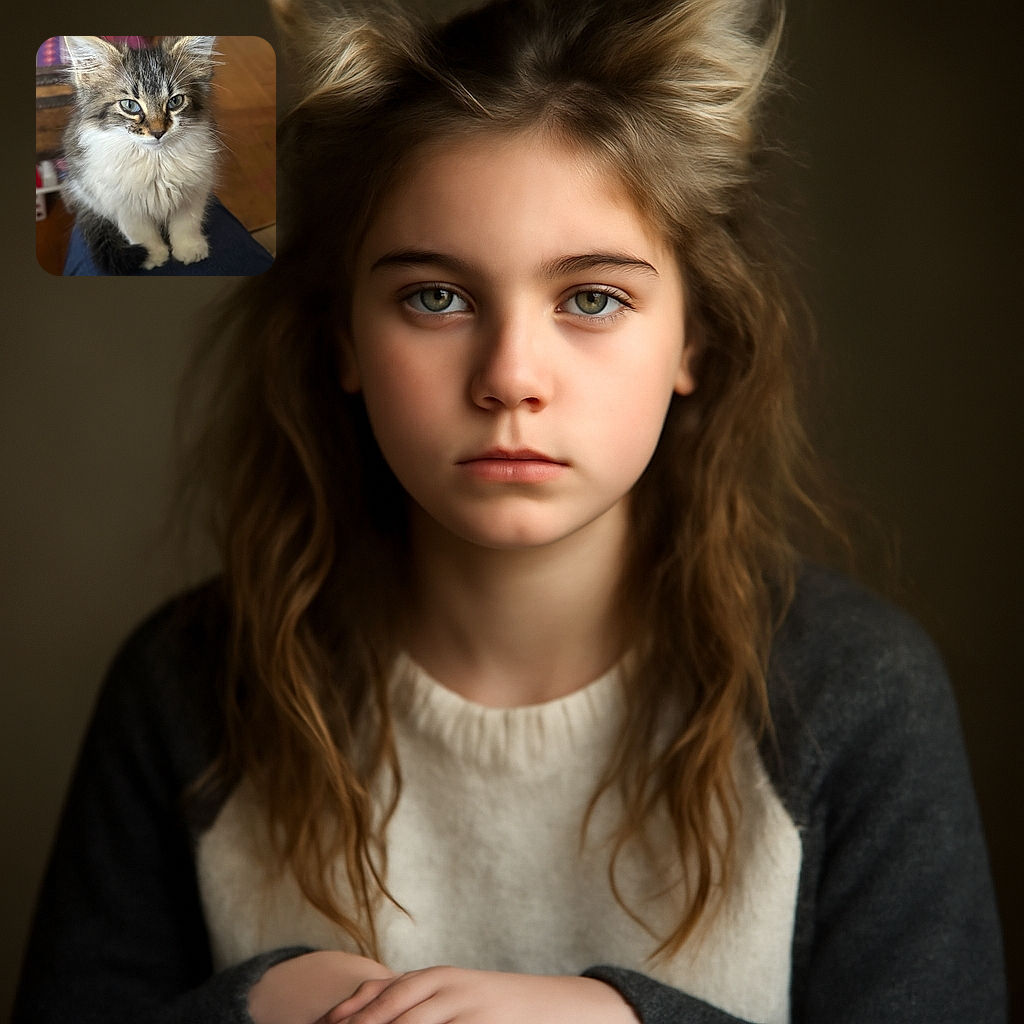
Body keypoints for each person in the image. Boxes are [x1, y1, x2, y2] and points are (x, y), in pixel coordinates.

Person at [13, 0, 1006, 1021]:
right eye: (435, 298)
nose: (509, 378)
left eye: (591, 298)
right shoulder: (184, 689)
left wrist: (622, 1021)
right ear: (344, 341)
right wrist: (254, 1004)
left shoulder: (852, 694)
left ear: (694, 339)